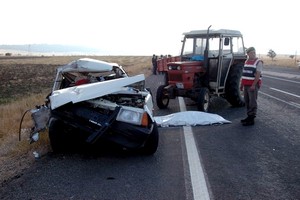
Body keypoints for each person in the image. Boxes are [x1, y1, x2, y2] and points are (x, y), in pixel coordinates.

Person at [240, 47, 263, 126]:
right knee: (247, 101)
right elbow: (244, 74)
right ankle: (248, 116)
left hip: (252, 85)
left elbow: (258, 75)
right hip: (246, 84)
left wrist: (253, 85)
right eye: (251, 52)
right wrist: (241, 84)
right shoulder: (246, 61)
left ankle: (251, 119)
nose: (253, 54)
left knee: (252, 102)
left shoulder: (258, 62)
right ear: (248, 54)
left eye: (254, 52)